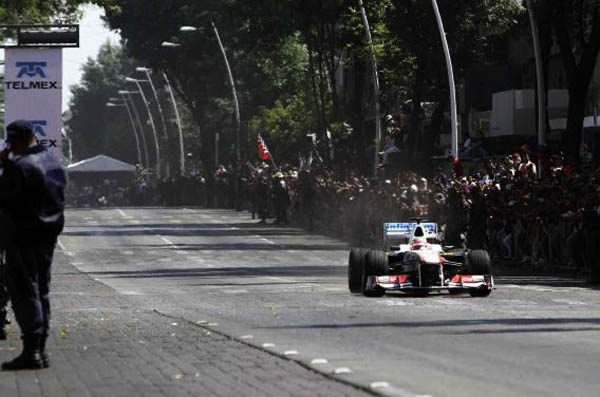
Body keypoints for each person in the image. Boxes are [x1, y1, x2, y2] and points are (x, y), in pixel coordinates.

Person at [0, 120, 67, 370]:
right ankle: (41, 349)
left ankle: (32, 352)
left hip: (21, 238)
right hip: (46, 237)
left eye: (10, 143)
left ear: (16, 140)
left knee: (24, 293)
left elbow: (6, 195)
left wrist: (3, 163)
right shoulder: (52, 162)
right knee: (41, 292)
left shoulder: (19, 166)